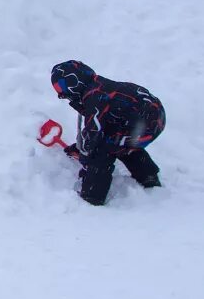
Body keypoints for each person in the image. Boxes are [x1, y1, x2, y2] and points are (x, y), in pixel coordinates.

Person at [49, 60, 165, 206]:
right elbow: (100, 126)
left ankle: (93, 196)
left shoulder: (94, 96)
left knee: (102, 149)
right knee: (116, 142)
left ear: (74, 81)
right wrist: (82, 147)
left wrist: (86, 156)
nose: (62, 95)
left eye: (62, 89)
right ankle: (148, 176)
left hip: (145, 125)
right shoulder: (98, 86)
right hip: (148, 120)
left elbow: (94, 130)